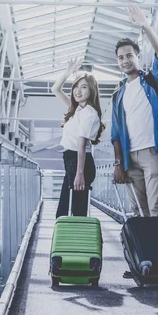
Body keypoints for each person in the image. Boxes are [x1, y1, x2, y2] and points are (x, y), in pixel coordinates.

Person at [111, 5, 158, 222]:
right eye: (121, 58)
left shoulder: (153, 81)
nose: (125, 60)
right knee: (138, 211)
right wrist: (119, 163)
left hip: (153, 153)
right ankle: (145, 256)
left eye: (129, 55)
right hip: (130, 158)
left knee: (157, 209)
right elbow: (116, 134)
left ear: (138, 56)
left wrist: (146, 26)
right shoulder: (118, 95)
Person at [52, 58, 105, 218]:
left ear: (92, 91)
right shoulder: (77, 110)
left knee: (75, 213)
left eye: (84, 87)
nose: (78, 91)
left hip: (79, 163)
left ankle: (81, 242)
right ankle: (70, 242)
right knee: (65, 212)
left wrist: (79, 173)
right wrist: (68, 73)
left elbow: (81, 146)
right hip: (72, 162)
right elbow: (56, 89)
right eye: (76, 87)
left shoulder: (89, 113)